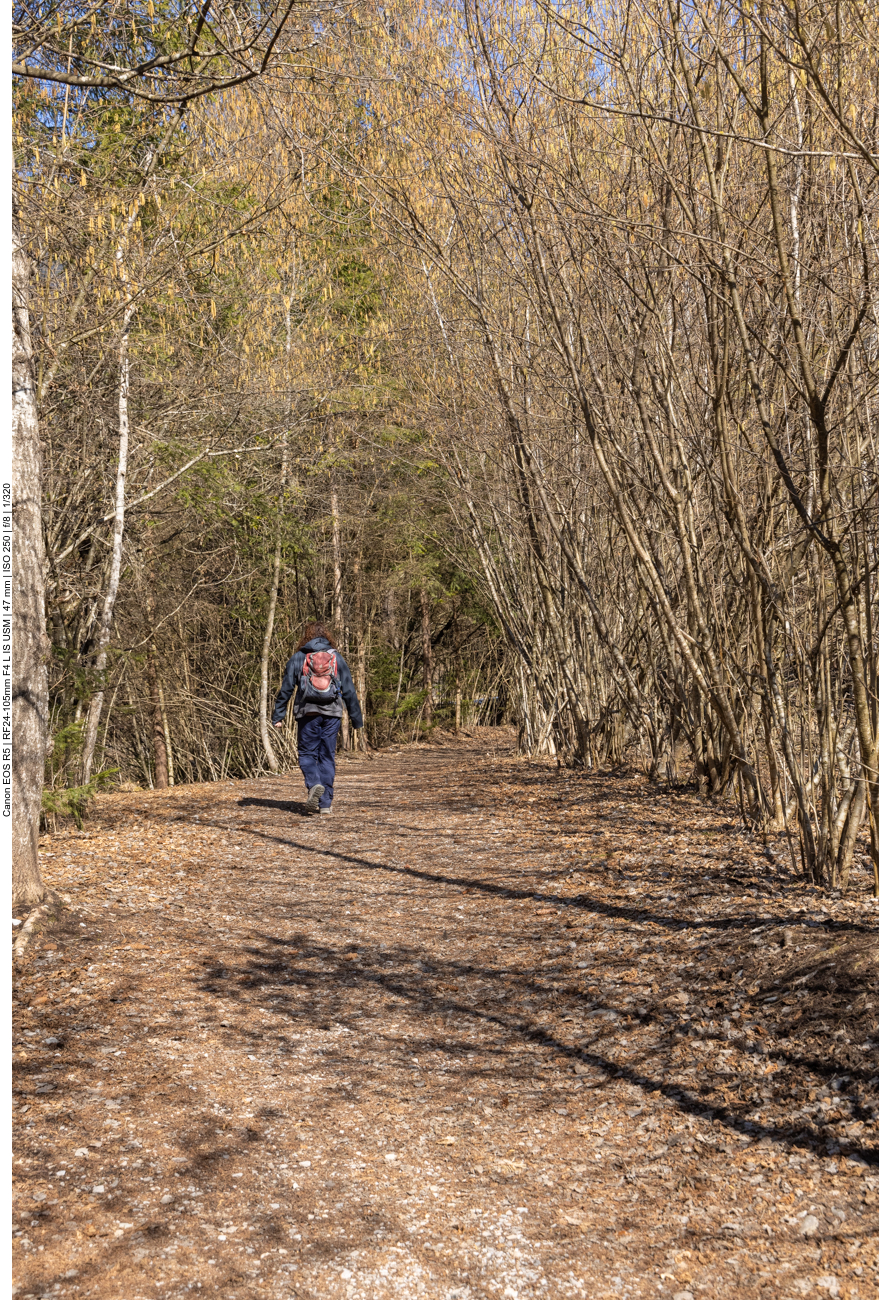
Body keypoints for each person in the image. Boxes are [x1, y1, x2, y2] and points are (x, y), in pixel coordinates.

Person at [272, 621, 363, 814]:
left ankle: (314, 785)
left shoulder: (299, 658)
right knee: (327, 756)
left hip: (307, 713)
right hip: (332, 714)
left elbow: (286, 689)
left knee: (307, 754)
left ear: (306, 637)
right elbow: (349, 690)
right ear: (327, 637)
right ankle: (325, 804)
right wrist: (356, 719)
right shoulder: (336, 658)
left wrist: (278, 715)